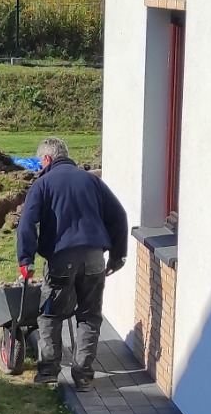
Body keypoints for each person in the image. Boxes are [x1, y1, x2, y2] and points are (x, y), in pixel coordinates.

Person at [16, 136, 128, 389]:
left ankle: (48, 371)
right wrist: (117, 255)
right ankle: (84, 376)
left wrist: (26, 260)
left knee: (50, 314)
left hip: (61, 259)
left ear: (47, 158)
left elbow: (27, 223)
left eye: (40, 162)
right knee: (89, 316)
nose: (40, 166)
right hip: (95, 258)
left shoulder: (43, 184)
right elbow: (119, 216)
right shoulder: (91, 180)